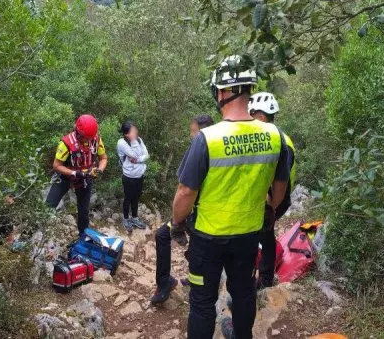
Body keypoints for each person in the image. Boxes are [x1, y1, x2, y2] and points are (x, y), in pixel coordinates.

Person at [170, 56, 290, 339]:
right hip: (248, 235)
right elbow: (281, 183)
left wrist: (176, 223)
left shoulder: (207, 139)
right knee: (244, 292)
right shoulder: (274, 135)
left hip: (208, 238)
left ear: (222, 93)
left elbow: (186, 191)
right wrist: (270, 208)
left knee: (202, 302)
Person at [150, 114, 215, 305]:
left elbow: (185, 188)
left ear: (202, 131)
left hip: (198, 213)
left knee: (166, 236)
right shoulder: (218, 148)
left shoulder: (200, 147)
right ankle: (168, 283)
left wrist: (178, 219)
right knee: (165, 235)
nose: (191, 136)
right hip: (200, 211)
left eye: (192, 132)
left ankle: (171, 284)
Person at [248, 92, 297, 289]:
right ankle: (263, 278)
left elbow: (279, 180)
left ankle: (262, 280)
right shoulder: (273, 137)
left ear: (260, 116)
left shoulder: (279, 142)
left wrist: (270, 205)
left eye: (251, 115)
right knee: (264, 235)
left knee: (260, 235)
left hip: (276, 198)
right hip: (271, 197)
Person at [45, 114, 108, 236]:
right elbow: (57, 165)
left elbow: (103, 158)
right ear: (78, 133)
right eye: (86, 138)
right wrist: (75, 173)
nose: (89, 140)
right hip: (65, 177)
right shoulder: (66, 143)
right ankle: (33, 232)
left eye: (91, 138)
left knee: (84, 212)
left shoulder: (96, 139)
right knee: (49, 206)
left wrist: (99, 170)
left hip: (86, 178)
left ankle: (83, 236)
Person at [117, 120, 150, 233]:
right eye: (133, 131)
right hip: (129, 176)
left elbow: (146, 155)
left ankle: (134, 218)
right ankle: (126, 219)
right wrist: (134, 142)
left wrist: (138, 160)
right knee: (128, 198)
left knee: (136, 197)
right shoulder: (121, 142)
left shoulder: (139, 139)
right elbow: (135, 154)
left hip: (139, 175)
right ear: (127, 134)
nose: (136, 131)